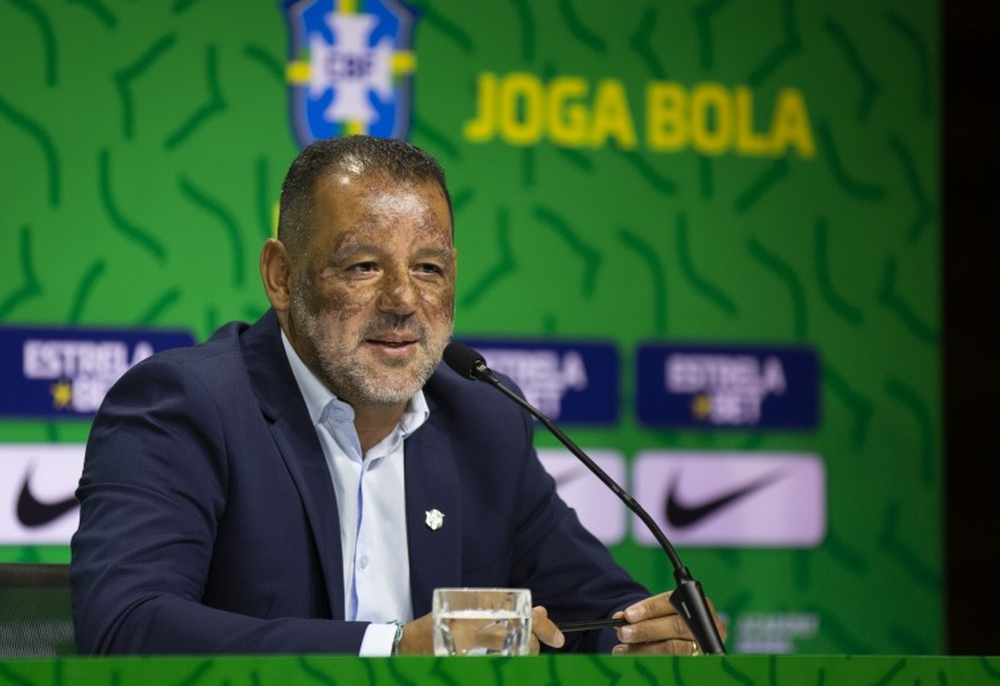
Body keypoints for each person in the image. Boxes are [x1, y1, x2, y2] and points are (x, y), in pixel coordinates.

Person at [70, 135, 723, 656]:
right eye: (363, 266)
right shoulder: (188, 405)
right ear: (281, 276)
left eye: (429, 269)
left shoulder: (484, 420)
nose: (404, 301)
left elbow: (598, 614)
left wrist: (642, 639)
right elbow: (128, 627)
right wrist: (388, 651)